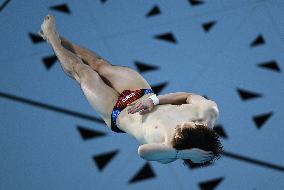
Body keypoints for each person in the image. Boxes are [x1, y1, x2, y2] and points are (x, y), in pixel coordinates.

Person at [39, 14, 223, 168]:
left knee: (84, 73)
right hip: (140, 93)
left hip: (115, 111)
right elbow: (187, 96)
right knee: (99, 65)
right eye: (187, 126)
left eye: (179, 132)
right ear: (200, 127)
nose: (179, 126)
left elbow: (142, 152)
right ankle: (62, 39)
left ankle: (53, 40)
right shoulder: (207, 111)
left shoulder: (169, 151)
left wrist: (185, 153)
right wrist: (154, 101)